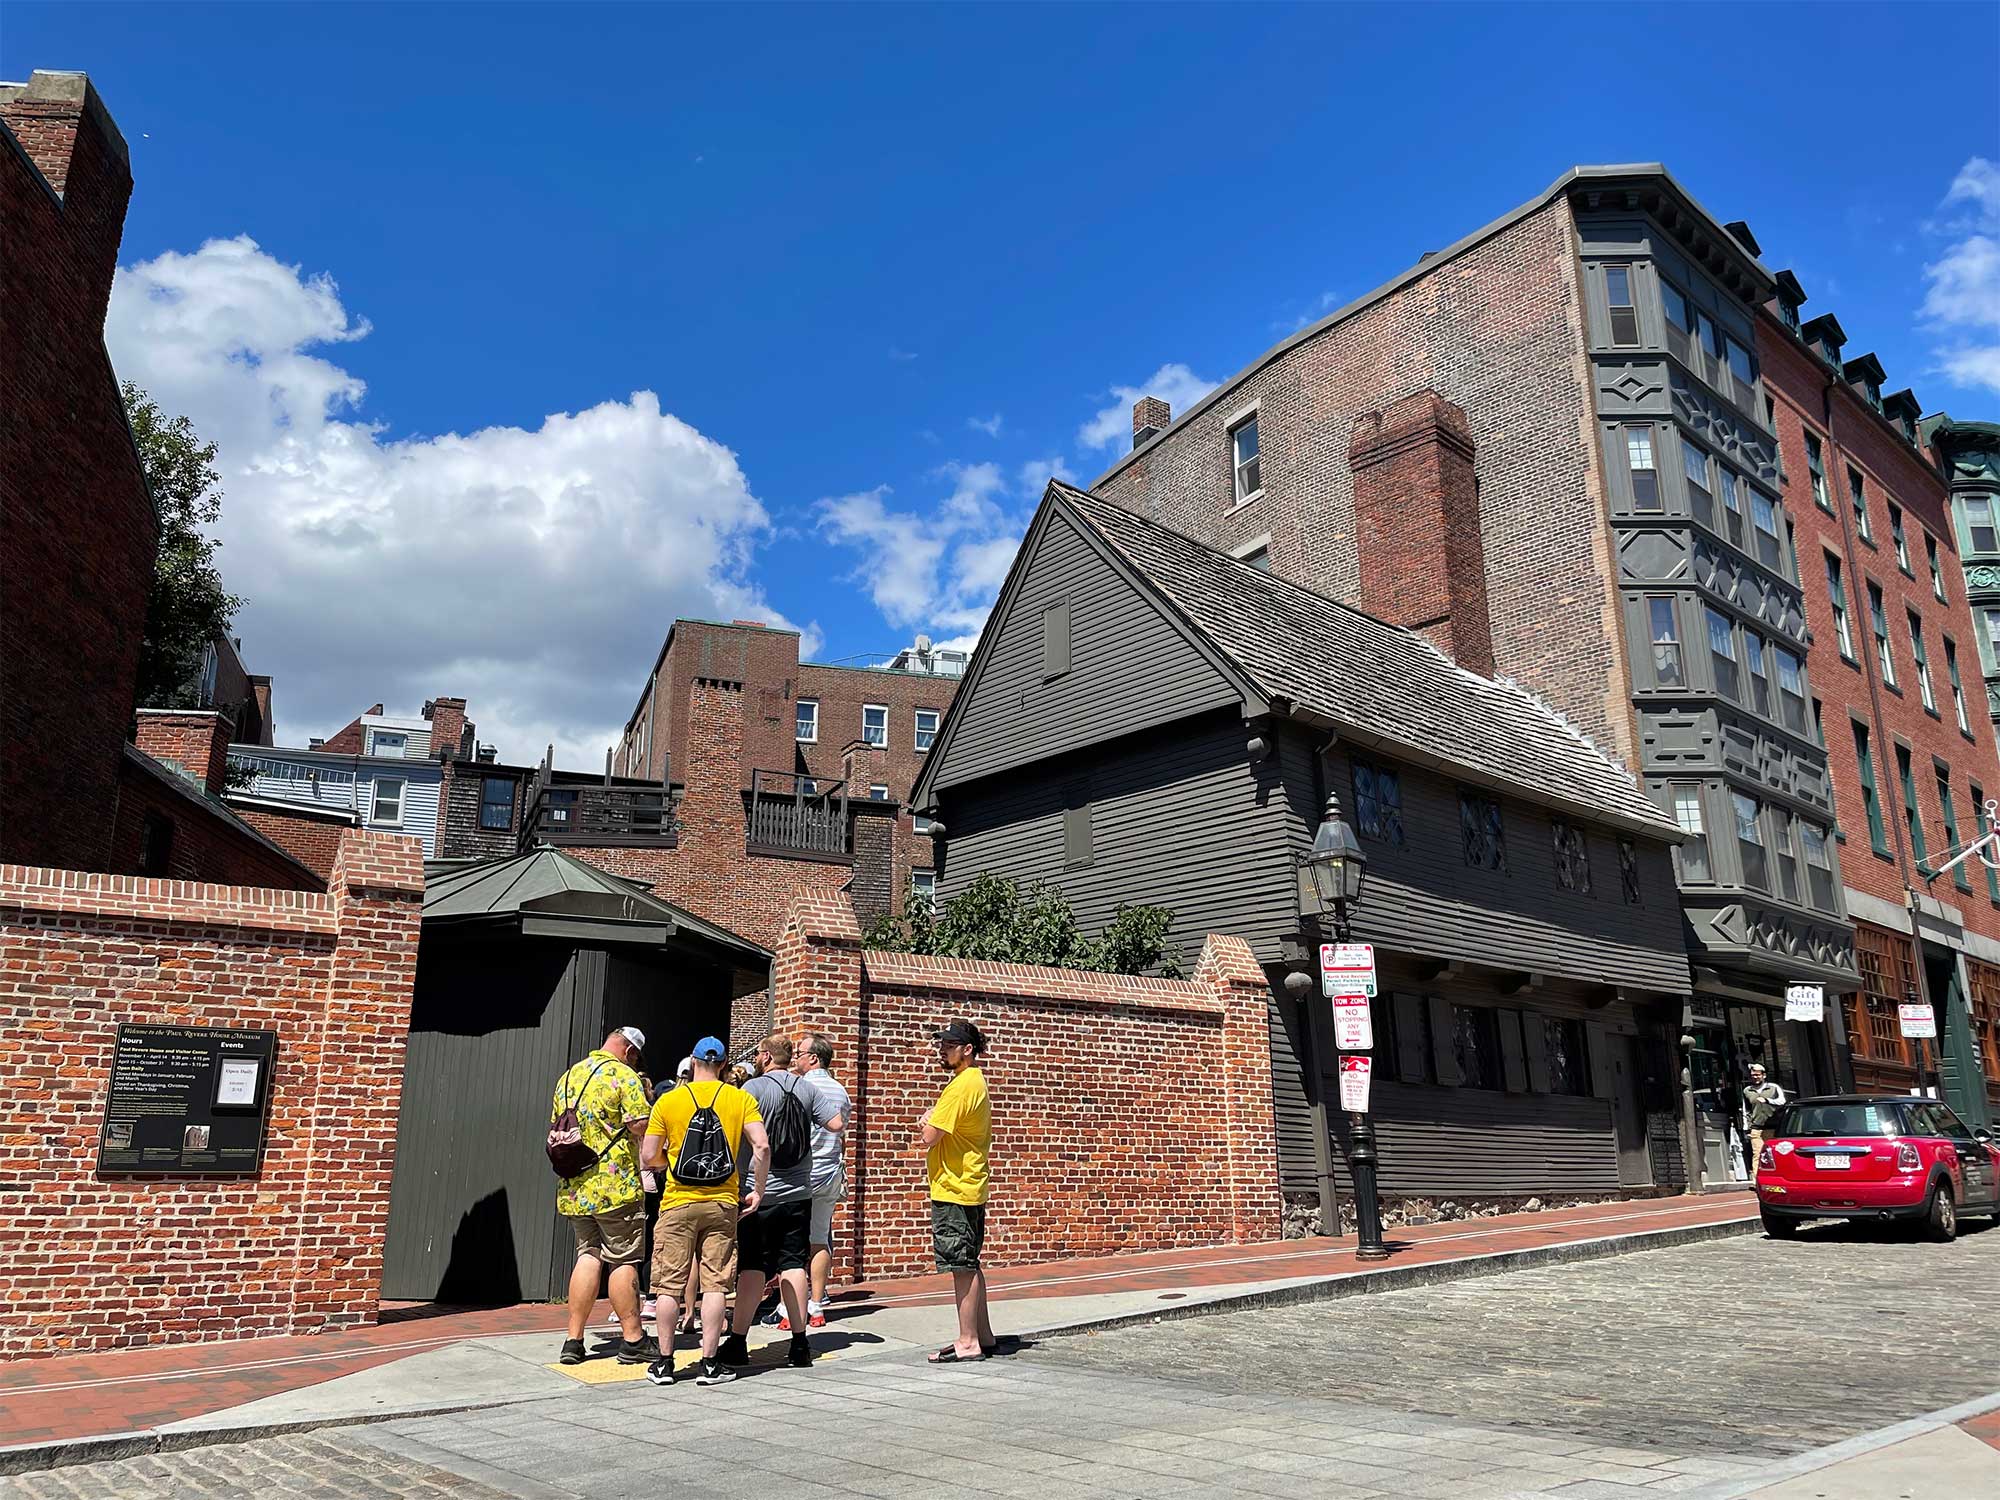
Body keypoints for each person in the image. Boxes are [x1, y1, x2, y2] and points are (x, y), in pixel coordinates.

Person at [642, 1035, 768, 1388]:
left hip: (677, 1202)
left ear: (693, 1062)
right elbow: (762, 1145)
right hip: (723, 1202)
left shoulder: (669, 1101)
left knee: (668, 1285)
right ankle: (710, 1364)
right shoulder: (740, 1098)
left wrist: (669, 1163)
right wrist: (756, 1189)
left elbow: (649, 1155)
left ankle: (664, 1364)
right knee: (715, 1286)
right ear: (724, 1065)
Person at [722, 1034, 842, 1371]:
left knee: (752, 1268)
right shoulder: (805, 1088)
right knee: (793, 1264)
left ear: (763, 1056)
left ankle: (738, 1340)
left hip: (758, 1193)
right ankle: (800, 1343)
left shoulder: (754, 1090)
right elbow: (836, 1122)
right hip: (799, 1191)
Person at [550, 1025, 656, 1366]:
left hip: (575, 1187)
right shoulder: (623, 1076)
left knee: (588, 1255)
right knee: (623, 1260)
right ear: (629, 1051)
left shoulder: (569, 1076)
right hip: (615, 1188)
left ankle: (573, 1339)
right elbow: (641, 1125)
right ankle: (633, 1338)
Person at [920, 1019, 993, 1365]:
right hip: (970, 1185)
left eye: (949, 1045)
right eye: (941, 1045)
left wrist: (927, 1118)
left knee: (961, 1267)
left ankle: (968, 1341)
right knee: (970, 1263)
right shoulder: (975, 1081)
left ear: (968, 1050)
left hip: (954, 1187)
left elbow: (930, 1136)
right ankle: (983, 1334)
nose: (942, 1050)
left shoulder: (961, 1086)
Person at [787, 1030, 851, 1330]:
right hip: (831, 1170)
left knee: (793, 1242)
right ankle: (816, 1304)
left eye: (799, 1053)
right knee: (820, 1237)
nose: (795, 1058)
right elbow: (842, 1134)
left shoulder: (800, 1087)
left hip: (803, 1172)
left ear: (813, 1058)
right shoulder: (841, 1090)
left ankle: (791, 1308)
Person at [1744, 1062, 1787, 1163]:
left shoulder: (1773, 1088)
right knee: (1758, 1155)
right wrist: (1747, 1128)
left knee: (1774, 1154)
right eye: (1753, 1075)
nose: (1755, 1077)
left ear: (1764, 1075)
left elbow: (1782, 1101)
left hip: (1772, 1127)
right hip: (1756, 1128)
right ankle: (1757, 1178)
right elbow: (1746, 1109)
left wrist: (1768, 1100)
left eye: (1758, 1075)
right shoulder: (1747, 1091)